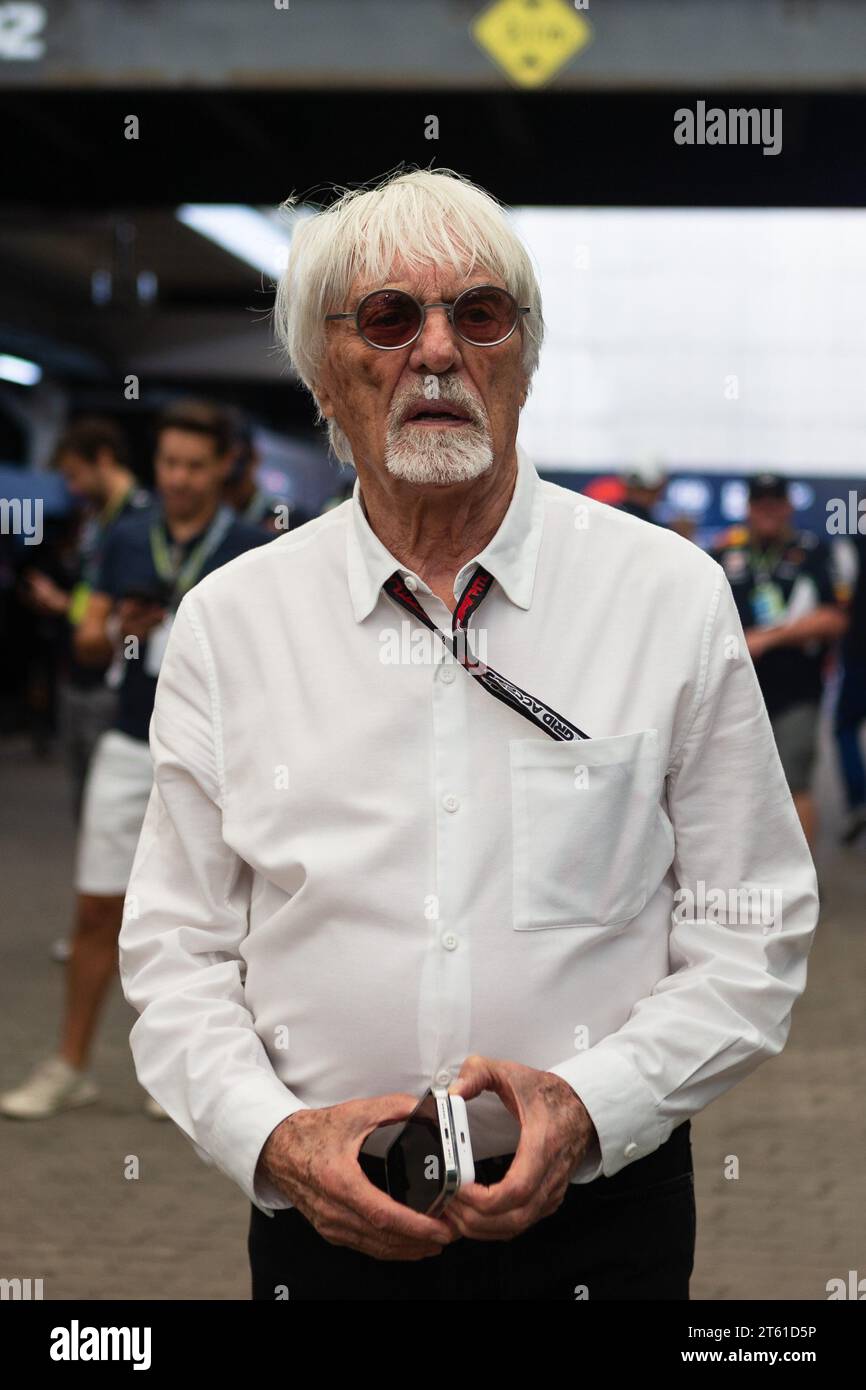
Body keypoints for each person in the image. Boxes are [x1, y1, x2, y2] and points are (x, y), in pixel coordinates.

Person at [117, 169, 818, 1301]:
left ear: (521, 361)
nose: (436, 351)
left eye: (477, 315)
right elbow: (176, 950)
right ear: (323, 373)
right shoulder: (231, 624)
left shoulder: (666, 596)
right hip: (323, 1224)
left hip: (602, 1216)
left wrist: (594, 1105)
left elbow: (751, 923)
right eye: (390, 318)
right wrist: (275, 1140)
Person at [0, 400, 269, 1122]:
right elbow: (87, 646)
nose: (179, 478)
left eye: (194, 465)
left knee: (223, 921)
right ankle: (70, 1064)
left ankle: (189, 1074)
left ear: (222, 470)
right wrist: (120, 627)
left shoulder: (250, 546)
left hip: (217, 754)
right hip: (129, 740)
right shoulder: (126, 538)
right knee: (95, 911)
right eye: (170, 464)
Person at [19, 417, 151, 962]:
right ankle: (98, 927)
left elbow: (130, 608)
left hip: (116, 689)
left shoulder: (142, 522)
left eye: (75, 475)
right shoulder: (101, 522)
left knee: (123, 822)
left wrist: (62, 605)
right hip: (83, 677)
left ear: (103, 458)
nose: (71, 489)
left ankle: (119, 934)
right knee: (89, 815)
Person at [711, 473, 848, 848]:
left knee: (794, 783)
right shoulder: (726, 554)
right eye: (760, 504)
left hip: (795, 693)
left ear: (788, 506)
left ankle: (802, 884)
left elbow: (834, 619)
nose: (768, 512)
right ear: (749, 508)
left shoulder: (813, 551)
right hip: (733, 693)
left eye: (776, 504)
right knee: (729, 786)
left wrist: (769, 639)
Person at [833, 526, 866, 844]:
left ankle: (859, 801)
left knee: (845, 727)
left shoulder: (850, 547)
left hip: (859, 656)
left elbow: (841, 602)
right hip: (856, 656)